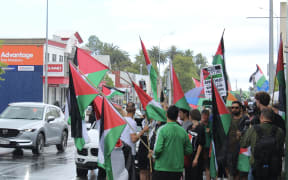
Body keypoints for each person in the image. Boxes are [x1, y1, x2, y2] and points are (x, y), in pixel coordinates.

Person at [149, 105, 192, 180]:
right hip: (177, 169)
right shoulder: (183, 131)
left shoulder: (162, 130)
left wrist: (153, 155)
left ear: (166, 115)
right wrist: (179, 151)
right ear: (177, 116)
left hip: (162, 168)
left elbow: (158, 149)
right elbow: (189, 150)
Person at [240, 108, 284, 180]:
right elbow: (280, 147)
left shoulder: (253, 129)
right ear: (272, 118)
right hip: (273, 167)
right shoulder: (280, 131)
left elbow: (243, 144)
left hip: (256, 165)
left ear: (261, 117)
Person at [120, 102, 149, 180]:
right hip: (129, 152)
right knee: (129, 175)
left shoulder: (122, 120)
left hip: (121, 150)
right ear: (135, 110)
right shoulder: (132, 123)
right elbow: (133, 139)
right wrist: (143, 131)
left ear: (126, 109)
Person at [227, 101, 249, 180]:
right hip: (231, 148)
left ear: (240, 108)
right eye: (232, 107)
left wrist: (242, 133)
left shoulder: (245, 118)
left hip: (242, 149)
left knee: (242, 172)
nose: (234, 109)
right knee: (233, 171)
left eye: (236, 107)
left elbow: (248, 130)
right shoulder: (228, 118)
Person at [185, 109, 205, 180]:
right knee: (188, 175)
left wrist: (196, 158)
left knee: (196, 175)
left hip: (196, 156)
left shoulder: (200, 128)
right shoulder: (189, 127)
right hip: (189, 155)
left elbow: (200, 144)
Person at [200, 109, 212, 180]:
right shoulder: (199, 124)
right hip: (200, 148)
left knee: (208, 166)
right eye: (203, 115)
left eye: (206, 115)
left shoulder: (211, 124)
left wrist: (209, 132)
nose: (205, 117)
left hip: (209, 148)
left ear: (208, 116)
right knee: (201, 166)